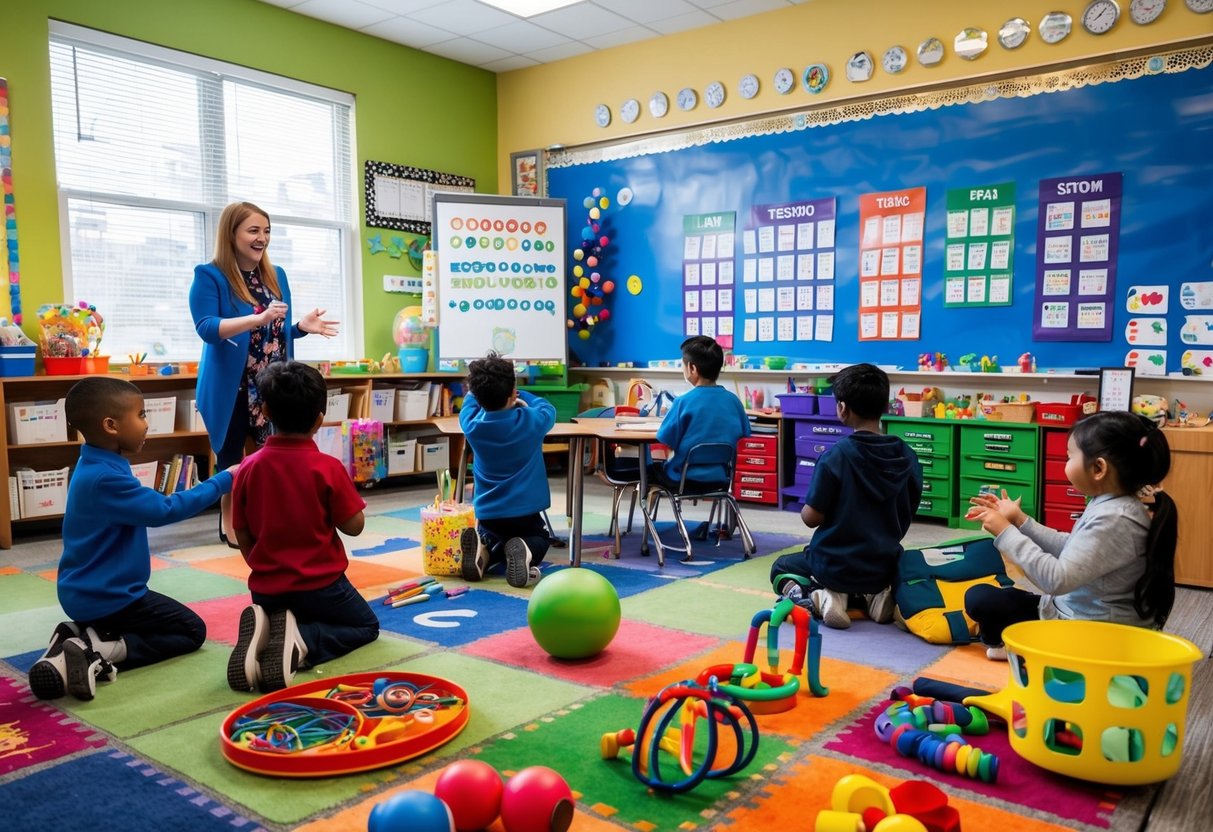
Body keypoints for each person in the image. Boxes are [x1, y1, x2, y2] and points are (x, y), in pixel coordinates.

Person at [28, 377, 237, 702]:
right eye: (140, 415)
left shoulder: (95, 463)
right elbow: (164, 510)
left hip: (85, 592)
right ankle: (96, 648)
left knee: (159, 624)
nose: (146, 424)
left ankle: (74, 634)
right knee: (191, 631)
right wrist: (223, 481)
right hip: (110, 597)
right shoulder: (106, 478)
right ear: (111, 425)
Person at [963, 411, 1177, 661]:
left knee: (981, 599)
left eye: (1069, 456)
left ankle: (1022, 650)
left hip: (1089, 635)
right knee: (990, 596)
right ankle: (1021, 644)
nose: (1066, 463)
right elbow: (1072, 548)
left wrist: (1005, 532)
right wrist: (1020, 520)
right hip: (1076, 615)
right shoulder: (1113, 504)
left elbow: (1056, 579)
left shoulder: (1115, 518)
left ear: (1098, 468)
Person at [189, 201, 339, 548]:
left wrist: (300, 327)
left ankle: (271, 519)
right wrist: (256, 319)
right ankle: (228, 523)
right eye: (254, 230)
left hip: (273, 383)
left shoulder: (276, 275)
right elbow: (207, 328)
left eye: (267, 231)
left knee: (275, 457)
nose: (262, 238)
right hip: (233, 385)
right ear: (232, 234)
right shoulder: (210, 275)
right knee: (231, 459)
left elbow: (275, 332)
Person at [227, 361, 378, 692]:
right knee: (367, 626)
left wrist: (262, 566)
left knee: (288, 614)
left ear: (264, 410)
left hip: (266, 589)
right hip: (321, 586)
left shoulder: (248, 468)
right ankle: (300, 641)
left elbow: (240, 531)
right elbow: (354, 527)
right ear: (320, 419)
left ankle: (269, 634)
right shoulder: (326, 467)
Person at [769, 363, 921, 630]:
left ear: (842, 408)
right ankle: (875, 596)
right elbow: (909, 510)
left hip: (834, 563)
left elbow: (811, 518)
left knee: (781, 566)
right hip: (883, 565)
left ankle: (825, 595)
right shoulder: (908, 456)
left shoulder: (836, 456)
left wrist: (809, 505)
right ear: (886, 406)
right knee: (881, 573)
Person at [458, 352, 556, 589]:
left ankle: (485, 552)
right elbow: (548, 408)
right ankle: (525, 548)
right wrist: (524, 395)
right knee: (540, 538)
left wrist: (476, 391)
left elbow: (468, 404)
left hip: (489, 514)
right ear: (513, 392)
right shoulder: (531, 420)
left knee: (494, 539)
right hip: (525, 512)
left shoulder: (472, 426)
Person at [648, 335, 751, 491]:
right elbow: (744, 435)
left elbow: (664, 439)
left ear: (692, 369)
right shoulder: (734, 401)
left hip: (682, 477)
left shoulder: (683, 402)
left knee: (647, 470)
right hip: (721, 478)